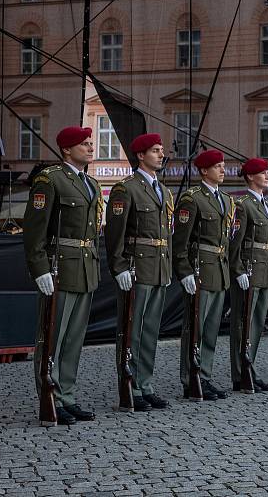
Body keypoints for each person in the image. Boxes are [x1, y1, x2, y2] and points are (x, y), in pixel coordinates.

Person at [24, 126, 101, 425]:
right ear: (67, 149)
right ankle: (49, 396)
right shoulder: (50, 179)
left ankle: (66, 395)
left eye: (91, 143)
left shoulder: (91, 183)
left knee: (73, 338)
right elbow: (34, 230)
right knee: (53, 336)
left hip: (84, 266)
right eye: (84, 144)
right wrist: (39, 268)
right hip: (60, 266)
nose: (91, 147)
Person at [105, 133, 173, 411]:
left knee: (150, 331)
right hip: (136, 267)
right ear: (141, 156)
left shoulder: (164, 191)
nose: (161, 154)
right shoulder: (127, 189)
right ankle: (128, 385)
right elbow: (114, 233)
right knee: (132, 330)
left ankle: (146, 385)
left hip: (157, 268)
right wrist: (119, 265)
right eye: (155, 151)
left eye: (161, 150)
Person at [172, 149, 233, 401]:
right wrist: (184, 270)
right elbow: (181, 241)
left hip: (218, 269)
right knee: (195, 327)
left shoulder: (227, 200)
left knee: (210, 329)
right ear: (204, 171)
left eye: (223, 165)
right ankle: (191, 377)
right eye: (217, 166)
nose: (223, 170)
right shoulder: (192, 198)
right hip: (200, 269)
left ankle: (204, 375)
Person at [229, 157, 268, 393]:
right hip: (248, 269)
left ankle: (250, 368)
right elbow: (235, 242)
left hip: (264, 269)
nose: (267, 176)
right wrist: (237, 270)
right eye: (262, 172)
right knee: (243, 323)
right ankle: (240, 373)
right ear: (250, 177)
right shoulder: (243, 204)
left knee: (257, 323)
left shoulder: (267, 206)